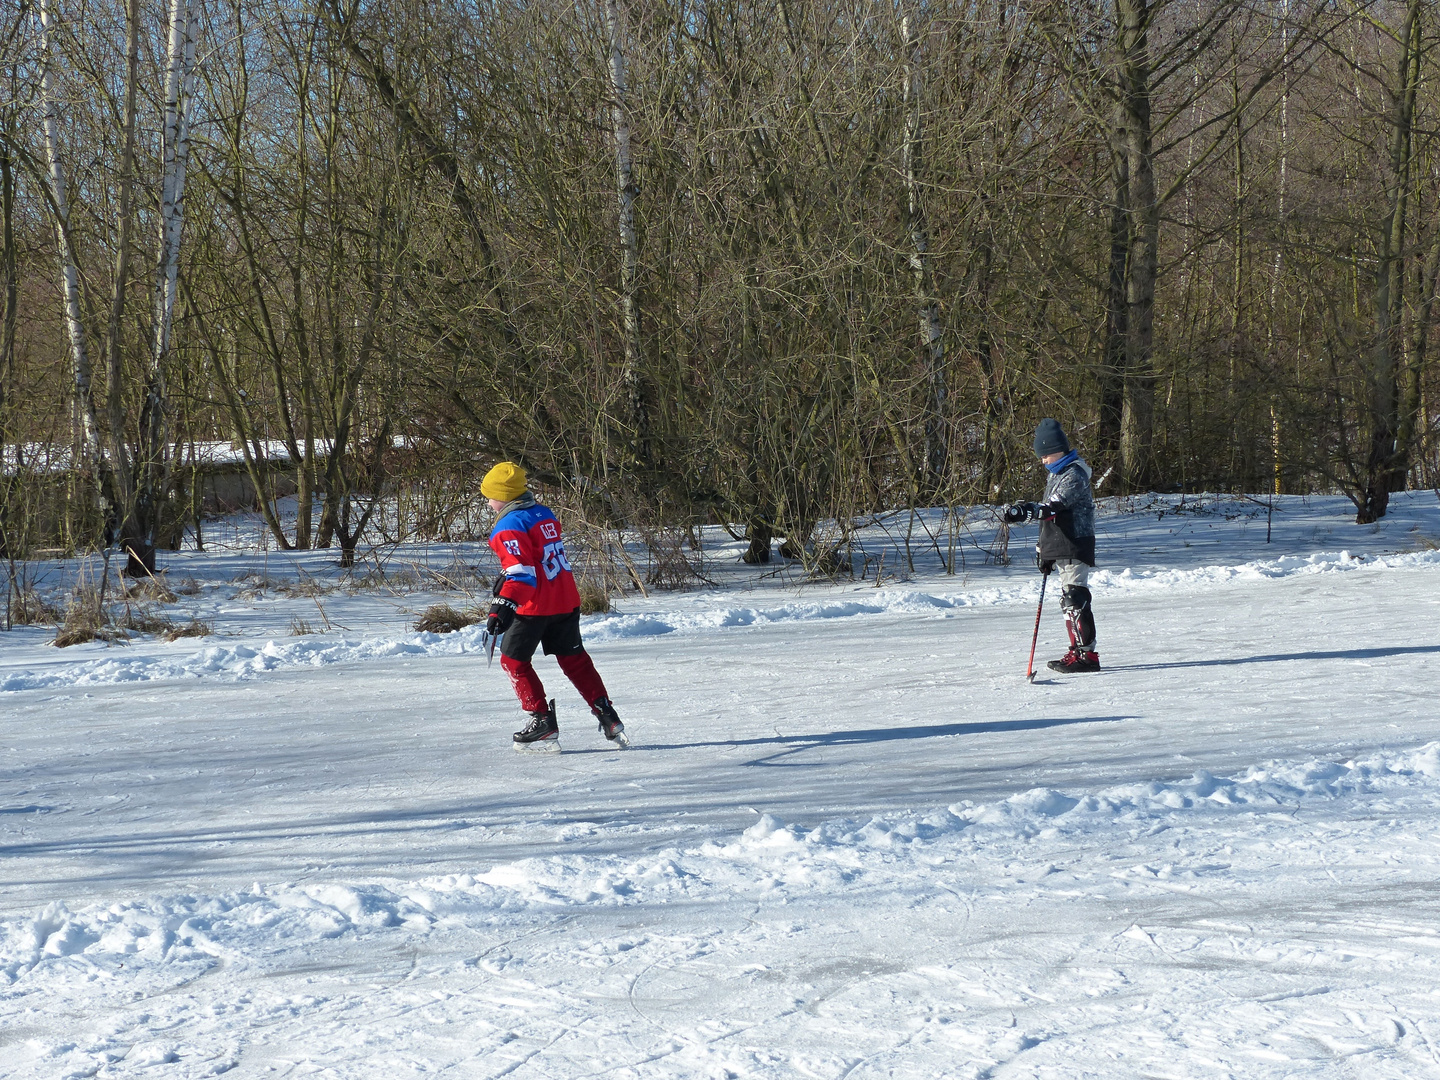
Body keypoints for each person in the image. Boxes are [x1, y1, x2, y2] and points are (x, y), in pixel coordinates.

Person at [481, 461, 626, 749]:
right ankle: (607, 714)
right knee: (575, 661)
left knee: (513, 662)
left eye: (490, 495)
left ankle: (542, 719)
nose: (487, 501)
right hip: (565, 598)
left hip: (534, 606)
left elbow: (522, 573)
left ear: (504, 497)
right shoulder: (543, 513)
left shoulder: (509, 526)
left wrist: (502, 606)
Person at [1001, 419, 1100, 673]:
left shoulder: (1074, 475)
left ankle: (1086, 656)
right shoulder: (1056, 475)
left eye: (1045, 454)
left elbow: (1052, 507)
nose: (1043, 460)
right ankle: (1077, 650)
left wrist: (1027, 511)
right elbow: (1050, 518)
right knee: (1068, 600)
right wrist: (1043, 551)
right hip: (1061, 544)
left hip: (1075, 542)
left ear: (1058, 449)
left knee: (1075, 598)